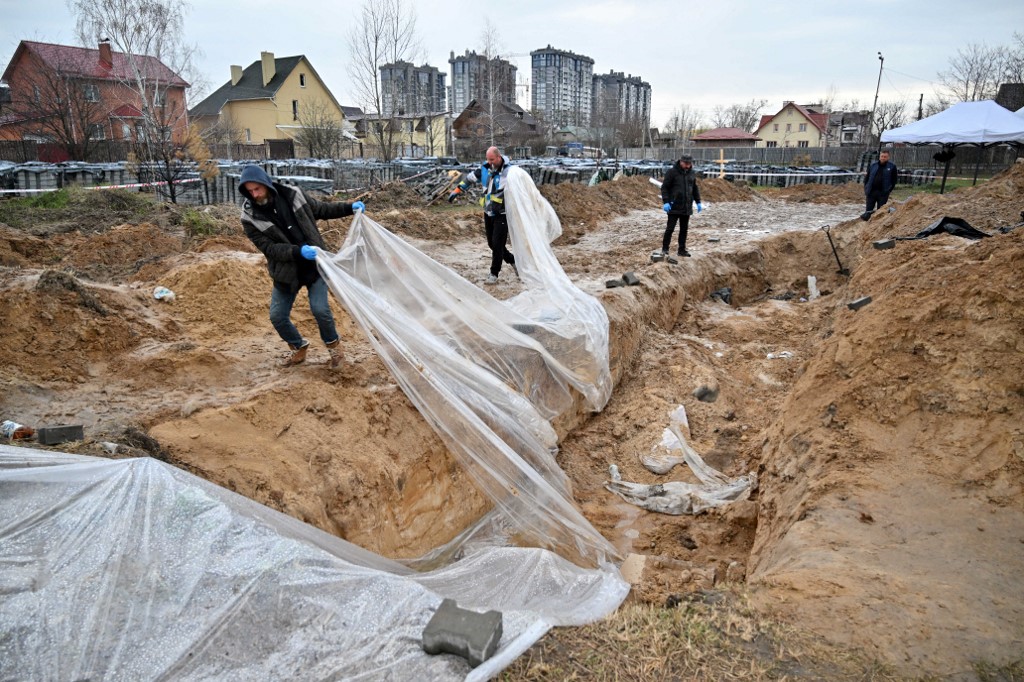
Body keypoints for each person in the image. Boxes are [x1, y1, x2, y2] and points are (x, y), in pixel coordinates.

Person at [238, 165, 364, 368]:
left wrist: (350, 208)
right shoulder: (250, 218)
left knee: (320, 310)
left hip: (314, 267)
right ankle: (298, 346)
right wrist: (297, 252)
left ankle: (335, 351)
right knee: (277, 317)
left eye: (257, 189)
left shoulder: (293, 195)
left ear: (266, 184)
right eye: (250, 191)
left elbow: (321, 209)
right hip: (287, 273)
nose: (255, 195)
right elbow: (269, 248)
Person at [448, 146, 517, 284]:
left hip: (502, 213)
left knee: (498, 244)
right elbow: (469, 179)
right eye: (488, 159)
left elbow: (522, 187)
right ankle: (513, 260)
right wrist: (456, 190)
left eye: (492, 159)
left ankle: (494, 273)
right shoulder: (484, 168)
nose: (490, 162)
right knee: (492, 244)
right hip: (488, 211)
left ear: (499, 157)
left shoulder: (510, 171)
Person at [660, 155, 702, 257]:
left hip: (686, 206)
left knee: (684, 229)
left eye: (689, 164)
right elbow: (664, 187)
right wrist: (666, 201)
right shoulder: (672, 172)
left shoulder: (691, 173)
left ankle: (681, 250)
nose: (688, 166)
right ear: (681, 162)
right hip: (673, 206)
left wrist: (698, 201)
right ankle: (665, 249)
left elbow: (694, 188)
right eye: (686, 164)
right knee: (670, 229)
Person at [864, 149, 898, 214]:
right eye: (882, 156)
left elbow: (894, 180)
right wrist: (866, 189)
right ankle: (868, 223)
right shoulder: (873, 165)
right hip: (871, 192)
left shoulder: (892, 167)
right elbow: (867, 178)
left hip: (883, 193)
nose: (883, 158)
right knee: (868, 211)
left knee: (880, 212)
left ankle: (877, 223)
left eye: (885, 157)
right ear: (879, 156)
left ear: (888, 157)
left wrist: (888, 190)